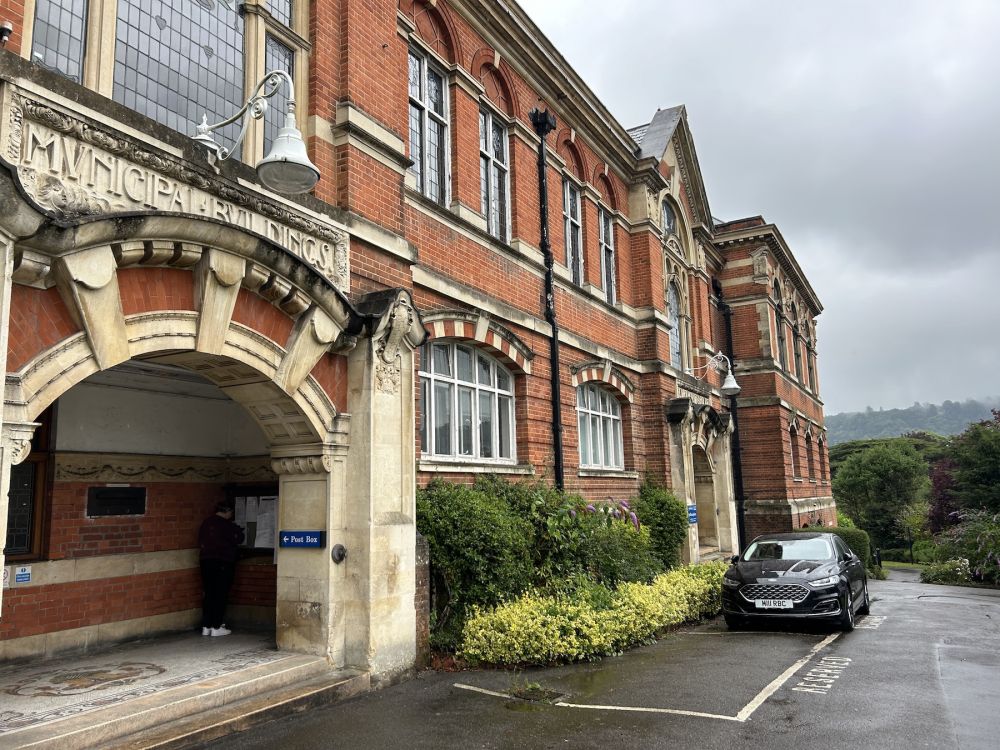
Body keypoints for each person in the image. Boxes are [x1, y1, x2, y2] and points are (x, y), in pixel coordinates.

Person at [198, 502, 244, 637]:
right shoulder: (227, 525)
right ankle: (217, 626)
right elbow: (239, 539)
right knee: (221, 593)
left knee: (209, 593)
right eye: (231, 512)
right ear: (227, 511)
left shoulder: (206, 523)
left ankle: (206, 626)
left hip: (205, 560)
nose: (231, 515)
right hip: (223, 561)